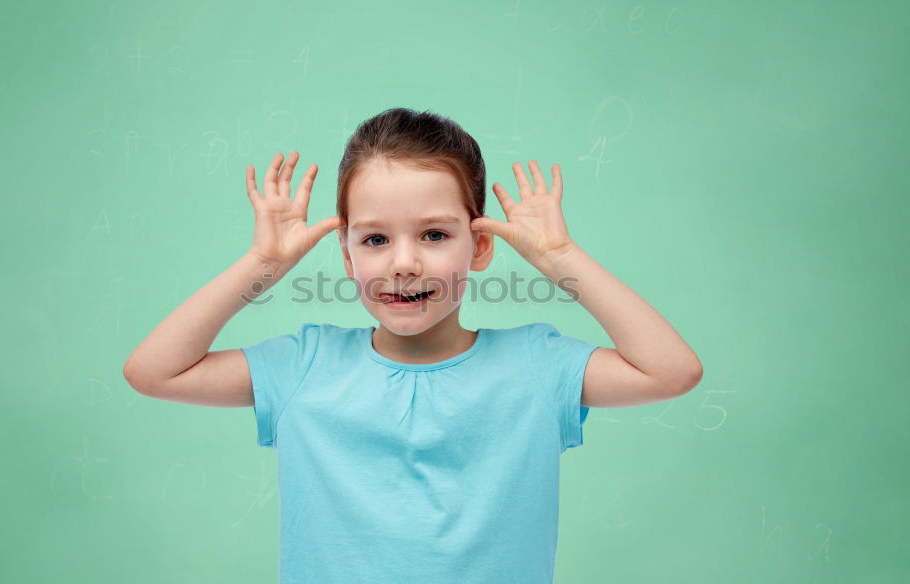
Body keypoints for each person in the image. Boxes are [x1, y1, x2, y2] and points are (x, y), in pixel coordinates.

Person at [123, 107, 703, 583]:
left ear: (479, 247)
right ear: (346, 254)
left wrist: (560, 259)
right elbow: (154, 372)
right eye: (375, 238)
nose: (404, 262)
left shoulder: (537, 367)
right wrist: (260, 265)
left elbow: (671, 372)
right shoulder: (305, 366)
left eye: (434, 234)